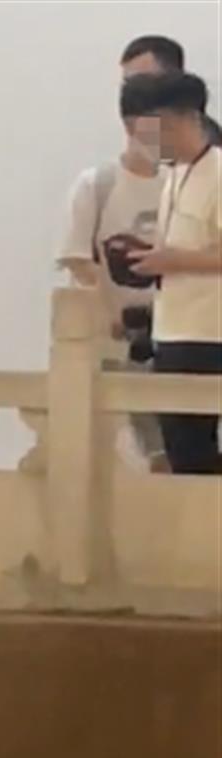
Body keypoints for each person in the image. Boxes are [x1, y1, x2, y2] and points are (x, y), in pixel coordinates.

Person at [57, 77, 168, 469]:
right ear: (130, 124)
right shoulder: (97, 184)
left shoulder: (179, 185)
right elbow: (77, 259)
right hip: (113, 342)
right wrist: (114, 315)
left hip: (171, 336)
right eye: (155, 121)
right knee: (120, 453)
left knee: (170, 448)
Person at [126, 71, 222, 475]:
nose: (147, 143)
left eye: (152, 130)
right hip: (170, 331)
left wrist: (175, 261)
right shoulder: (175, 175)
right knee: (179, 452)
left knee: (197, 455)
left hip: (209, 334)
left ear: (183, 118)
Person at [120, 35, 222, 145]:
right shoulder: (146, 131)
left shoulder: (202, 137)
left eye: (141, 81)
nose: (131, 90)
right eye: (127, 82)